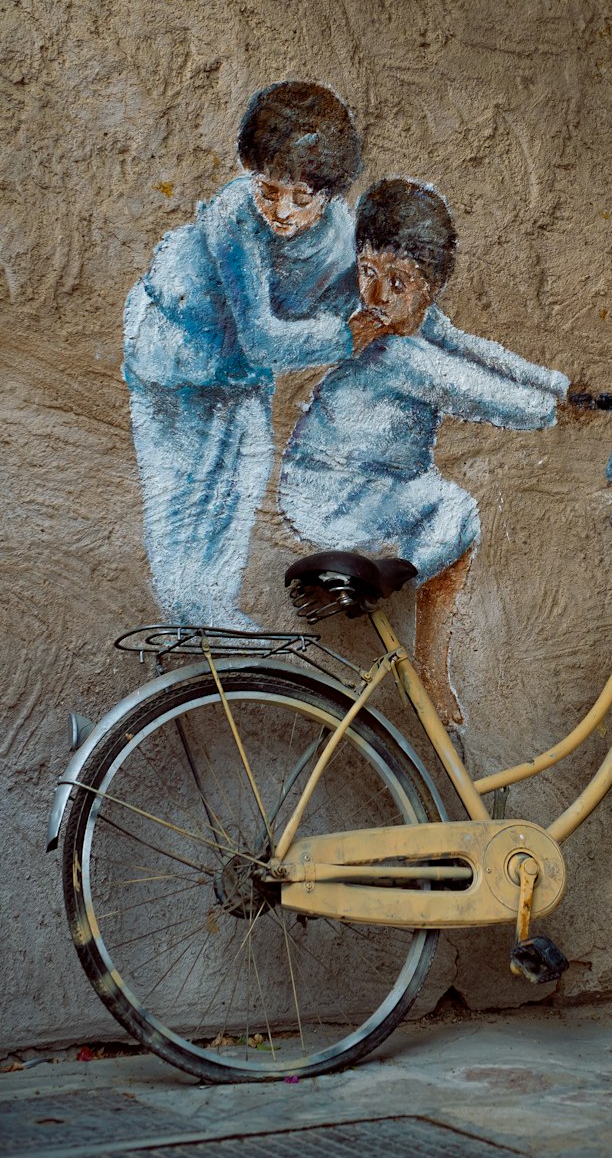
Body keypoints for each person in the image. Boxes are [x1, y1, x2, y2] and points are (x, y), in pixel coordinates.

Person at [279, 178, 569, 723]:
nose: (377, 296)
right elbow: (475, 390)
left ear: (430, 288)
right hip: (334, 493)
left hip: (369, 483)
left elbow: (475, 352)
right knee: (457, 512)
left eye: (398, 281)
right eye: (367, 273)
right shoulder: (396, 354)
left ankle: (430, 670)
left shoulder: (424, 327)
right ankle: (390, 590)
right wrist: (554, 411)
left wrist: (562, 386)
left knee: (444, 512)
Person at [123, 80, 362, 629]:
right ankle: (187, 624)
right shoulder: (235, 216)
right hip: (173, 359)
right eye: (269, 190)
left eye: (301, 198)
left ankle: (208, 618)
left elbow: (363, 301)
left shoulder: (340, 233)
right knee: (180, 494)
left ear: (328, 192)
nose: (281, 211)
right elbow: (262, 337)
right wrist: (350, 336)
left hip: (240, 375)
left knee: (242, 479)